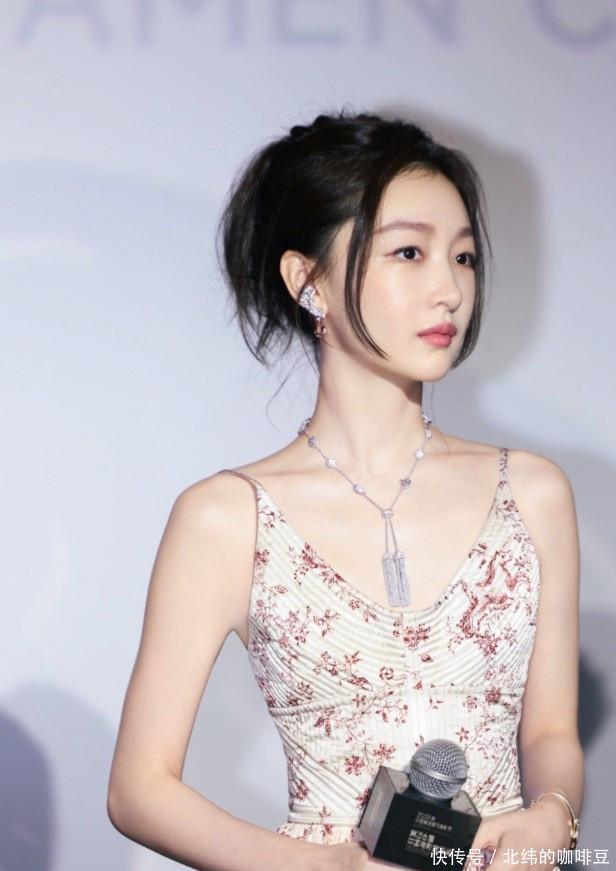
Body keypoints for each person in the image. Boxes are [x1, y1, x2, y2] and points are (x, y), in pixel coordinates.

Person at [107, 110, 584, 871]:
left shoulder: (531, 494)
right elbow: (139, 788)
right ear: (308, 282)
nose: (449, 290)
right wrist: (325, 865)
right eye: (409, 252)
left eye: (463, 257)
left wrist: (553, 815)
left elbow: (552, 731)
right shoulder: (228, 517)